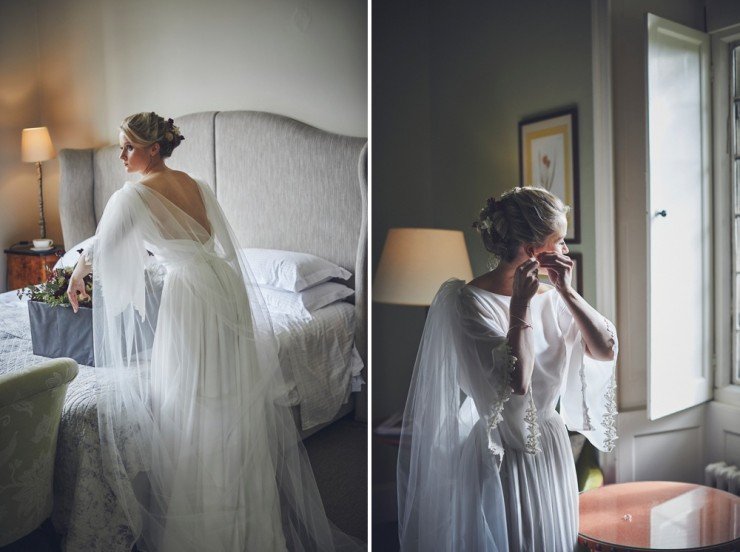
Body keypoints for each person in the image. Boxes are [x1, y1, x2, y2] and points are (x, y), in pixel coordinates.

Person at [67, 112, 348, 551]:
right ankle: (247, 520)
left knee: (189, 399)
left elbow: (106, 246)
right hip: (223, 285)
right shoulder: (196, 184)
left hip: (191, 295)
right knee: (227, 398)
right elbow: (205, 241)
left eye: (128, 146)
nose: (120, 155)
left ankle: (208, 527)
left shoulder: (132, 195)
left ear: (153, 148)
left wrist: (77, 269)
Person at [397, 186, 618, 551]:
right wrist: (520, 306)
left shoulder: (555, 298)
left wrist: (566, 292)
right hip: (502, 454)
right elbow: (517, 382)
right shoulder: (467, 303)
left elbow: (605, 350)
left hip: (549, 445)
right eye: (559, 241)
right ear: (533, 251)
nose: (564, 250)